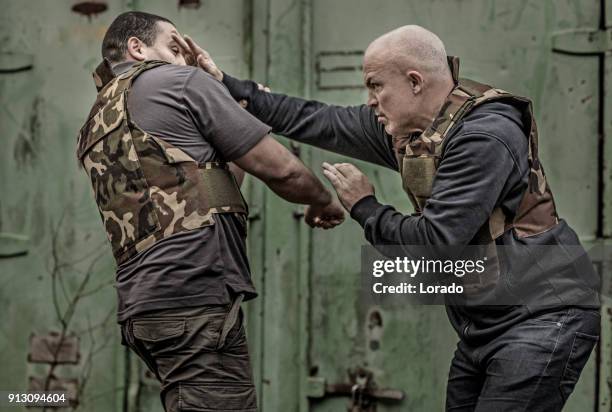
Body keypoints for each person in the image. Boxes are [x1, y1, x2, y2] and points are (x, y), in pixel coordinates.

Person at [190, 25, 601, 411]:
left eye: (376, 85)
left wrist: (364, 206)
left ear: (415, 81)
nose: (370, 100)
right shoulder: (410, 133)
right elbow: (316, 119)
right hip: (486, 323)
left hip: (544, 317)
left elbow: (435, 245)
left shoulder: (484, 136)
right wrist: (229, 87)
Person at [76, 11, 344, 412]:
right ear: (137, 47)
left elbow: (207, 190)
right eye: (173, 46)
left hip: (147, 308)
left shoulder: (99, 120)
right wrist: (323, 201)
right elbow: (283, 170)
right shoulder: (179, 81)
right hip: (195, 297)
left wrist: (235, 116)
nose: (184, 58)